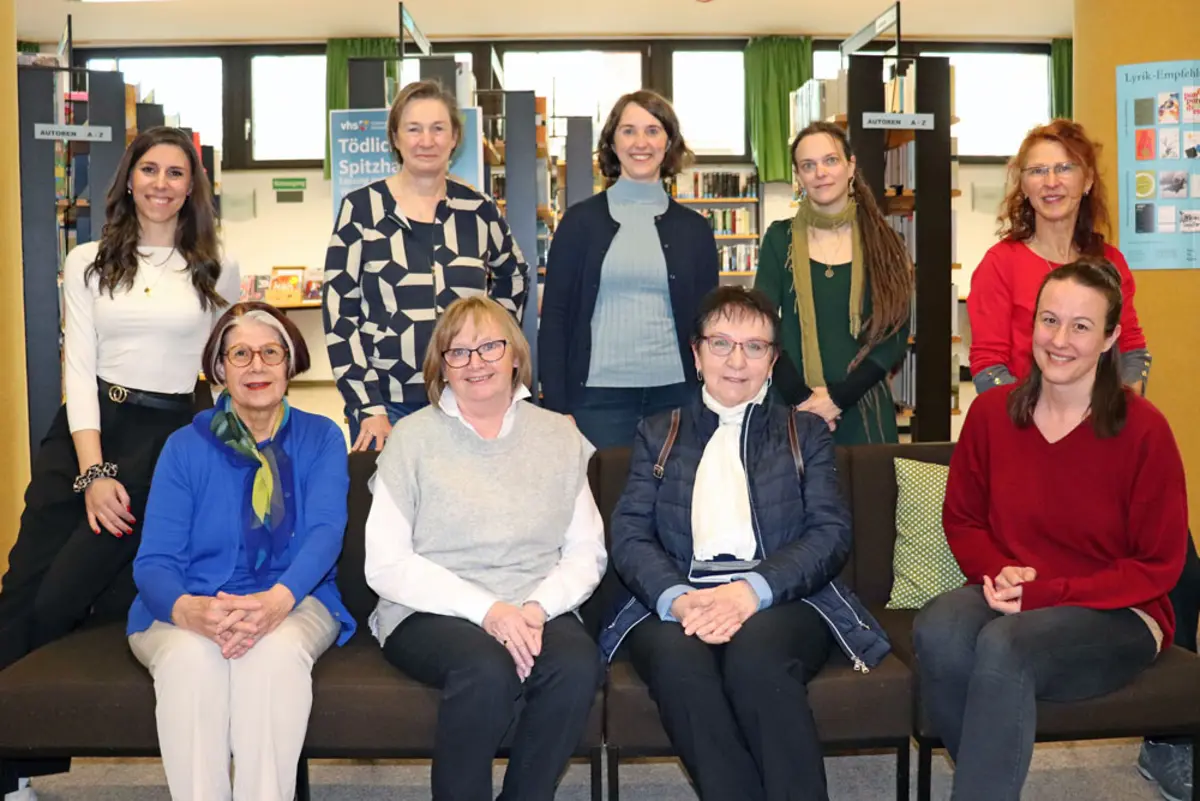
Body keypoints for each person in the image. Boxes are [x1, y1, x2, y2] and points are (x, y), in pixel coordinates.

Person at [0, 126, 239, 800]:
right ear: (129, 179)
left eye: (176, 172)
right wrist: (94, 471)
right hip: (87, 431)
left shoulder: (218, 267)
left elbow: (224, 370)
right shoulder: (89, 260)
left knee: (70, 593)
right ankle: (9, 767)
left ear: (192, 187)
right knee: (24, 590)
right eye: (150, 169)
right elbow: (78, 369)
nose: (162, 183)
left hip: (167, 441)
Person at [912, 258, 1189, 801]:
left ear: (1109, 338)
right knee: (939, 626)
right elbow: (963, 519)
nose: (1060, 340)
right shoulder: (990, 415)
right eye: (1049, 320)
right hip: (1016, 594)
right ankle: (985, 782)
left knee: (1005, 644)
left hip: (1119, 612)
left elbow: (1158, 566)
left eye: (1081, 326)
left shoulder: (1144, 431)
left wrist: (1047, 593)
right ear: (1032, 323)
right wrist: (1000, 571)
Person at [601, 286, 891, 801]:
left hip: (784, 596)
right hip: (679, 595)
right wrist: (678, 599)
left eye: (755, 347)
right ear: (696, 354)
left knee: (758, 659)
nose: (737, 361)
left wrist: (751, 591)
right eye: (721, 344)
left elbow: (829, 534)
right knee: (678, 663)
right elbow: (629, 534)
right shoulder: (658, 432)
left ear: (773, 361)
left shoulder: (806, 433)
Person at [364, 295, 607, 801]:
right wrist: (488, 611)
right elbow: (386, 564)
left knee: (577, 665)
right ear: (442, 367)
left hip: (535, 603)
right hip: (430, 609)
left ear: (515, 354)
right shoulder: (411, 439)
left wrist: (536, 608)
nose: (476, 362)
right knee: (485, 668)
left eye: (490, 347)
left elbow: (587, 550)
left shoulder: (558, 435)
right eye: (458, 352)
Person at [127, 301, 355, 801]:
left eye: (271, 352)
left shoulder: (321, 438)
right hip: (189, 603)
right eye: (241, 354)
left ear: (290, 363)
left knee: (273, 656)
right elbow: (155, 560)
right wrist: (188, 611)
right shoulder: (183, 447)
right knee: (189, 661)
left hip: (296, 597)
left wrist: (276, 602)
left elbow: (325, 535)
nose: (257, 365)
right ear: (220, 368)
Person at [323, 79, 530, 452]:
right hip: (386, 404)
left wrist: (490, 346)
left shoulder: (478, 209)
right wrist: (366, 404)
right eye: (414, 129)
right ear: (396, 137)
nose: (426, 140)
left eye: (438, 128)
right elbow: (339, 314)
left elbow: (513, 277)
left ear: (454, 138)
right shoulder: (361, 210)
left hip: (467, 398)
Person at [539, 89, 719, 449]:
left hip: (677, 397)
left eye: (653, 130)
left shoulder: (695, 230)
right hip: (596, 401)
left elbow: (709, 322)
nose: (641, 142)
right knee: (604, 487)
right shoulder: (579, 223)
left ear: (669, 142)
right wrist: (557, 406)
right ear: (612, 141)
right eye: (628, 130)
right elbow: (556, 317)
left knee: (678, 488)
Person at [755, 121, 913, 445]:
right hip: (792, 408)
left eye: (830, 160)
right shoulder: (778, 239)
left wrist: (837, 400)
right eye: (808, 165)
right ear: (798, 176)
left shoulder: (887, 242)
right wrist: (804, 400)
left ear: (850, 166)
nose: (820, 173)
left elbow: (895, 334)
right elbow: (760, 325)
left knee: (868, 482)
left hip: (864, 410)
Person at [968, 119, 1151, 395]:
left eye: (1064, 168)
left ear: (1087, 180)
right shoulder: (999, 264)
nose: (1051, 182)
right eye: (1037, 171)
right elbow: (988, 365)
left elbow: (1131, 351)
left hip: (1100, 416)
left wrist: (1113, 412)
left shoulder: (1111, 262)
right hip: (1023, 415)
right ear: (1024, 186)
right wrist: (1038, 417)